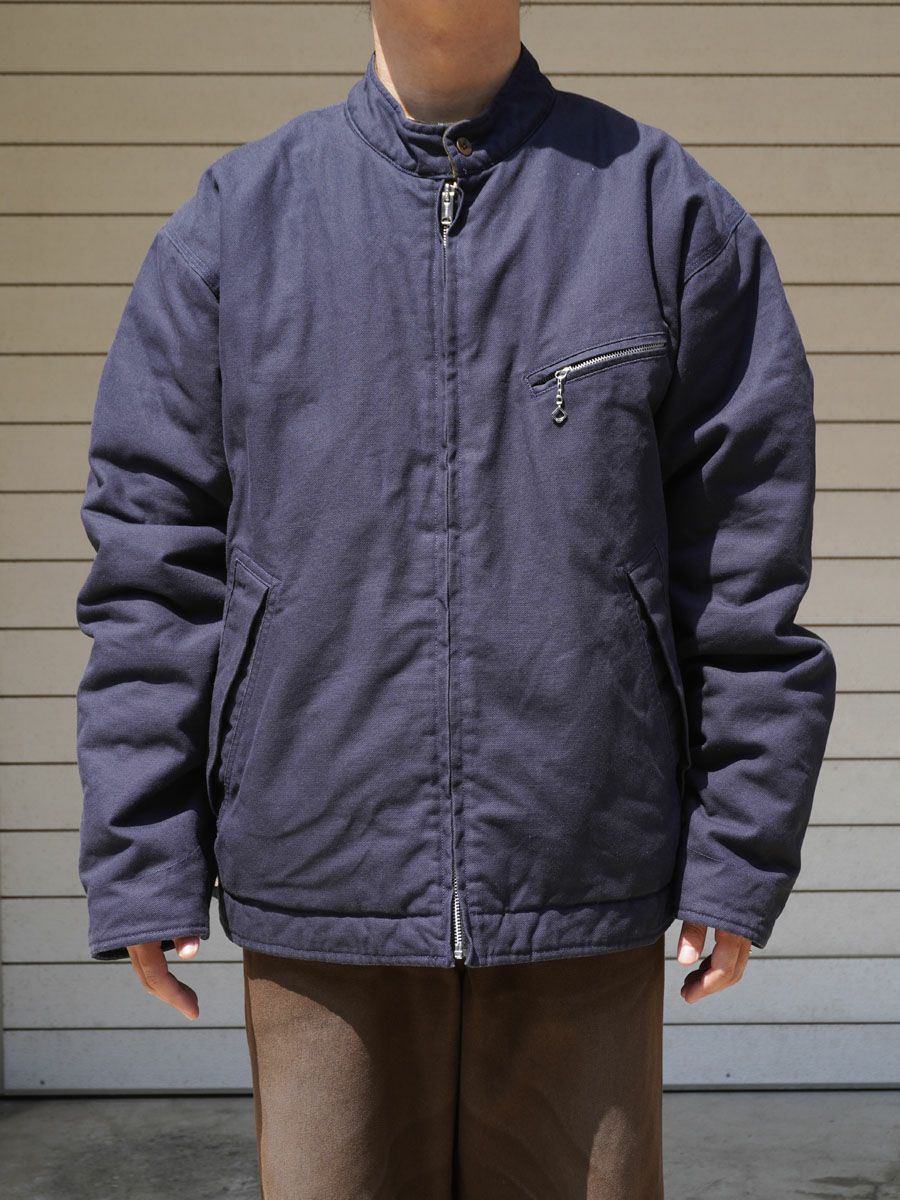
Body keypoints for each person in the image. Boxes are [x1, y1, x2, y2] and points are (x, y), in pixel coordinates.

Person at [73, 2, 838, 1196]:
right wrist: (142, 852)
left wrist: (738, 853)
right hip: (318, 883)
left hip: (585, 877)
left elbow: (745, 571)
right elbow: (152, 570)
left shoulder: (660, 212)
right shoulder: (237, 226)